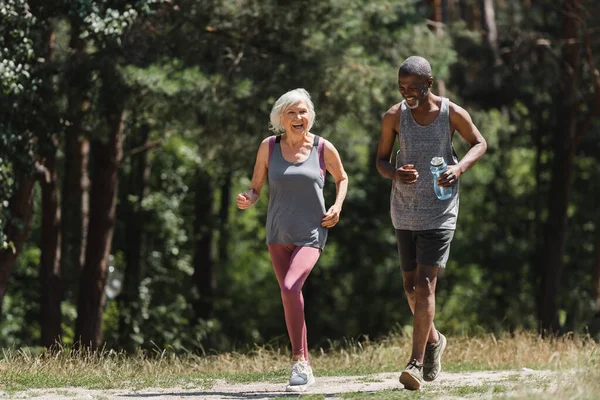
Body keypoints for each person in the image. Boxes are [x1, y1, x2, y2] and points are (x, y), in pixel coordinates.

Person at [375, 56, 487, 390]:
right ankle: (435, 339)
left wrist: (459, 168)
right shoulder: (394, 117)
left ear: (429, 82)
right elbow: (380, 160)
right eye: (402, 87)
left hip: (440, 211)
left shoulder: (451, 113)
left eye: (413, 87)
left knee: (425, 285)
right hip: (404, 210)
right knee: (411, 290)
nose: (407, 93)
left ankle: (415, 360)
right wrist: (395, 173)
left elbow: (480, 143)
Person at [237, 88, 348, 392]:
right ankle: (305, 366)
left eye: (303, 112)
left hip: (311, 232)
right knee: (290, 295)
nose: (299, 117)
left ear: (310, 115)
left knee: (290, 286)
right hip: (277, 233)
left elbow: (342, 178)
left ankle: (299, 360)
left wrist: (337, 205)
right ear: (281, 119)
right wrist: (249, 198)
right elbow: (256, 187)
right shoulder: (268, 147)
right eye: (292, 113)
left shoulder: (323, 148)